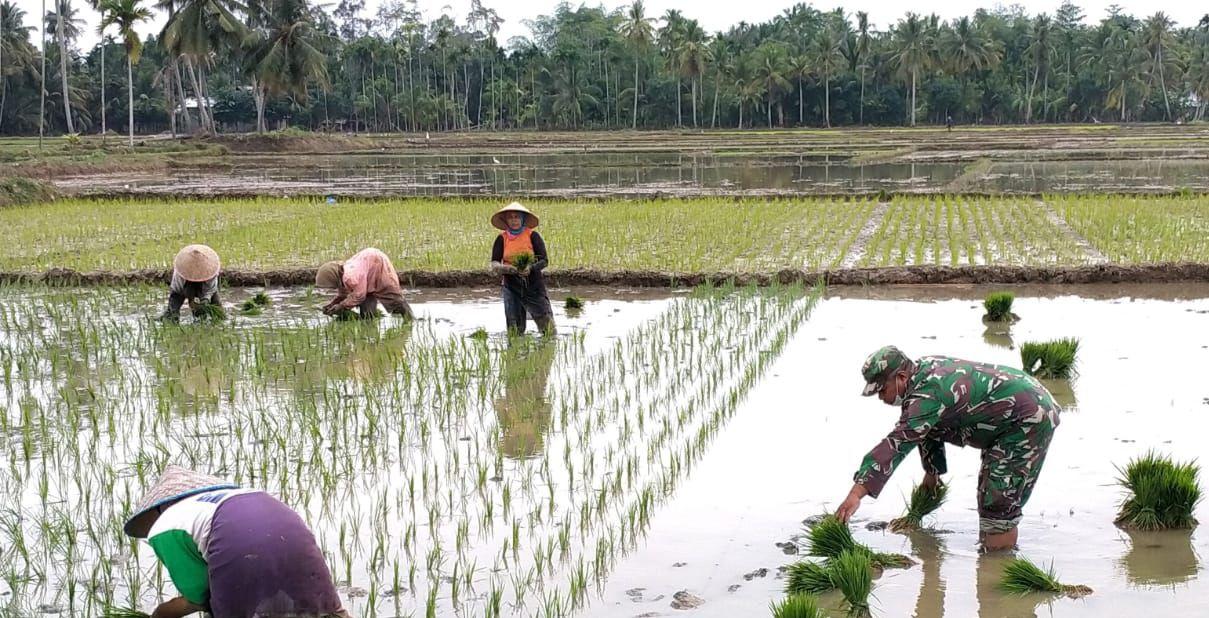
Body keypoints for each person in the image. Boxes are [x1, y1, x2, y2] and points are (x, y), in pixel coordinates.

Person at [835, 346, 1060, 551]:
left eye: (882, 390)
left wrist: (856, 494)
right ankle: (991, 551)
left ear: (901, 378)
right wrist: (932, 473)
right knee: (988, 494)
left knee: (999, 498)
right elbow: (928, 427)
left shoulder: (928, 393)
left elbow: (898, 443)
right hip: (1012, 413)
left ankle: (998, 570)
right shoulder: (921, 373)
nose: (881, 398)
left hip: (1029, 417)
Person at [123, 465, 348, 618]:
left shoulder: (165, 525)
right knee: (325, 611)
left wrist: (165, 612)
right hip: (296, 535)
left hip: (238, 549)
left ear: (160, 507)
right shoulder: (243, 494)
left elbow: (199, 594)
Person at [489, 202, 554, 335]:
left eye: (517, 217)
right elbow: (494, 263)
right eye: (510, 217)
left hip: (533, 285)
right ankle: (516, 353)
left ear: (523, 219)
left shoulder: (533, 236)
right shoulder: (502, 238)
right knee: (515, 330)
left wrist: (530, 268)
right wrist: (508, 269)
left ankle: (546, 352)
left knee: (547, 329)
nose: (514, 220)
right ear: (506, 220)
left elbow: (544, 261)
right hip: (511, 286)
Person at [316, 248, 415, 320]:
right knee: (367, 313)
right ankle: (369, 328)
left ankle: (411, 320)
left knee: (394, 298)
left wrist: (341, 306)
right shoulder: (342, 278)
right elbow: (343, 295)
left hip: (378, 264)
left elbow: (359, 296)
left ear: (333, 278)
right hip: (367, 274)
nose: (332, 288)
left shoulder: (350, 276)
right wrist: (332, 304)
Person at [160, 245, 223, 323]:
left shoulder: (210, 273)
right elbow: (176, 291)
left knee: (217, 314)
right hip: (184, 287)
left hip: (205, 287)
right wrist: (192, 301)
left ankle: (202, 322)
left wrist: (205, 300)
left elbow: (210, 289)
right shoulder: (180, 275)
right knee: (173, 314)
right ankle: (170, 318)